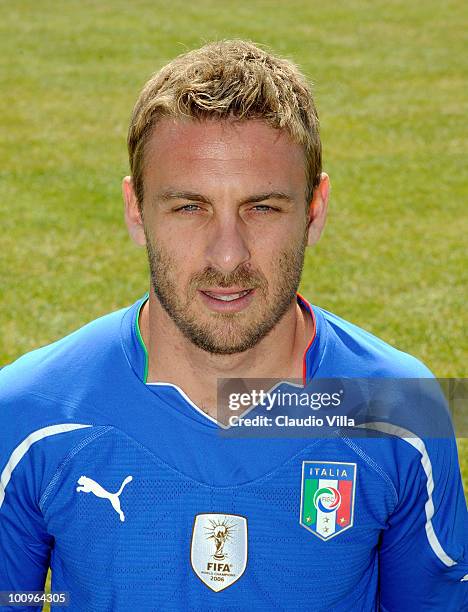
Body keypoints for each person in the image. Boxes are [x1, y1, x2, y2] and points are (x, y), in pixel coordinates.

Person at [0, 39, 466, 611]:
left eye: (262, 207)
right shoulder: (29, 412)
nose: (226, 256)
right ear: (136, 211)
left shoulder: (397, 409)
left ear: (314, 211)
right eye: (189, 207)